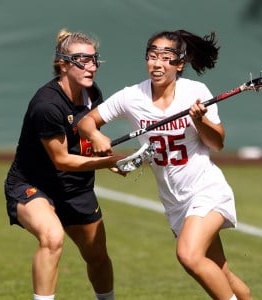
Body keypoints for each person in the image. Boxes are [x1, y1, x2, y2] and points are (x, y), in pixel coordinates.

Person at [78, 30, 252, 300]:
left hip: (206, 189)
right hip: (175, 202)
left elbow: (217, 142)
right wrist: (97, 136)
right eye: (152, 56)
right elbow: (86, 122)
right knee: (220, 271)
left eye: (166, 58)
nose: (157, 64)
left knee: (189, 256)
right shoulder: (131, 97)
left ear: (179, 63)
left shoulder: (195, 93)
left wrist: (200, 120)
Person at [3, 29, 125, 300]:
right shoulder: (47, 105)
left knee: (98, 257)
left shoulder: (92, 93)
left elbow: (86, 139)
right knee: (52, 237)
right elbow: (61, 159)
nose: (91, 66)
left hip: (76, 189)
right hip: (32, 186)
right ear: (64, 63)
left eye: (94, 59)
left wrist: (102, 153)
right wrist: (107, 162)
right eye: (82, 60)